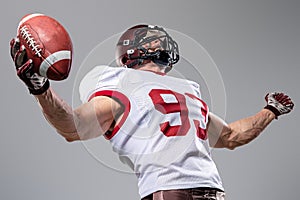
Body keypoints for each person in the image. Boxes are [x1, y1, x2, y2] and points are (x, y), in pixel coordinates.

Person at [10, 24, 294, 200]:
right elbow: (75, 127)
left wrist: (269, 110)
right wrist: (40, 88)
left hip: (210, 191)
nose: (158, 41)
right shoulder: (121, 83)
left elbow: (231, 136)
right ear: (130, 51)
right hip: (172, 191)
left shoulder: (188, 89)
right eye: (148, 38)